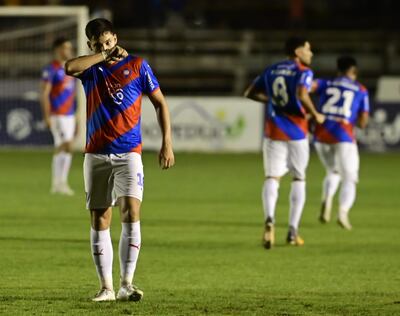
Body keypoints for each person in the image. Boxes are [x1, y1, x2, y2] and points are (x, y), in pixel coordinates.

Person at [65, 18, 175, 302]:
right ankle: (106, 288)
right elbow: (68, 67)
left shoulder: (138, 65)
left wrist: (167, 144)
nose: (105, 46)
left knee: (131, 213)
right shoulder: (92, 69)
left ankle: (127, 283)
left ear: (116, 37)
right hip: (96, 153)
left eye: (109, 41)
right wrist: (103, 56)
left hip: (129, 152)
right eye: (98, 44)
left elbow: (160, 102)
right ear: (91, 45)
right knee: (100, 217)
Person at [244, 36, 325, 249]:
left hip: (273, 131)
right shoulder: (303, 71)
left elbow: (249, 93)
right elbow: (302, 93)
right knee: (299, 178)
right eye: (308, 49)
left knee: (272, 177)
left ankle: (269, 219)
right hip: (297, 131)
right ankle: (292, 231)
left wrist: (271, 100)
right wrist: (315, 113)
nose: (311, 53)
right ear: (298, 52)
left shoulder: (271, 70)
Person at [312, 56, 369, 230]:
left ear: (337, 71)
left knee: (333, 170)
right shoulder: (360, 89)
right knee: (350, 177)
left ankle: (327, 198)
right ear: (354, 72)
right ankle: (343, 212)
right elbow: (363, 121)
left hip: (320, 135)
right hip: (343, 136)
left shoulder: (325, 84)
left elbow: (305, 88)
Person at [40, 37, 76, 195]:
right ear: (58, 50)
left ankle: (61, 183)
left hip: (70, 114)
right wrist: (47, 115)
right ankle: (57, 183)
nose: (68, 51)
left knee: (67, 148)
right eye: (65, 48)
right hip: (57, 114)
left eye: (69, 47)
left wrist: (78, 113)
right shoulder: (51, 69)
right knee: (66, 145)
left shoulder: (71, 68)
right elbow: (44, 93)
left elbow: (72, 93)